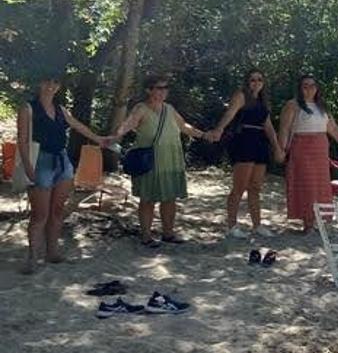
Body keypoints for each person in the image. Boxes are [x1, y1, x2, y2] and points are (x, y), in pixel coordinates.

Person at [16, 74, 112, 272]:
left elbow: (78, 126)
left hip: (62, 162)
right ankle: (33, 256)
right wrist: (27, 166)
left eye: (55, 82)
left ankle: (53, 251)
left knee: (58, 210)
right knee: (39, 214)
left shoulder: (61, 110)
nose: (51, 85)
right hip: (40, 160)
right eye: (47, 80)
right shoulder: (28, 108)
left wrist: (98, 139)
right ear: (39, 82)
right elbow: (22, 140)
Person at [111, 75, 209, 247]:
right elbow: (129, 123)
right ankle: (146, 236)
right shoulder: (141, 108)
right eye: (159, 88)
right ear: (149, 90)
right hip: (150, 158)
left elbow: (184, 126)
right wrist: (116, 135)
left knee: (170, 197)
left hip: (171, 157)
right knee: (148, 197)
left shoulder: (169, 109)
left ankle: (168, 233)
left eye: (165, 88)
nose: (163, 91)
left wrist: (204, 135)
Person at [207, 69, 285, 239]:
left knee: (256, 187)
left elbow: (269, 126)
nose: (256, 82)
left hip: (260, 143)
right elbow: (230, 113)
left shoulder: (263, 101)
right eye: (252, 79)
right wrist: (219, 128)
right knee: (239, 187)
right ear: (247, 82)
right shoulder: (241, 96)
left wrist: (277, 147)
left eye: (259, 79)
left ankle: (257, 225)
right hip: (244, 141)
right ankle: (232, 225)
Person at [277, 74, 338, 234]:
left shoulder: (322, 106)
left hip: (320, 149)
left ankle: (318, 220)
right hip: (302, 148)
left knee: (320, 186)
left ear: (317, 88)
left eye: (312, 85)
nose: (309, 89)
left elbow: (332, 128)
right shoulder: (293, 105)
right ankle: (308, 224)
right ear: (300, 88)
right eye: (305, 85)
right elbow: (284, 129)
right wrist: (281, 149)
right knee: (307, 185)